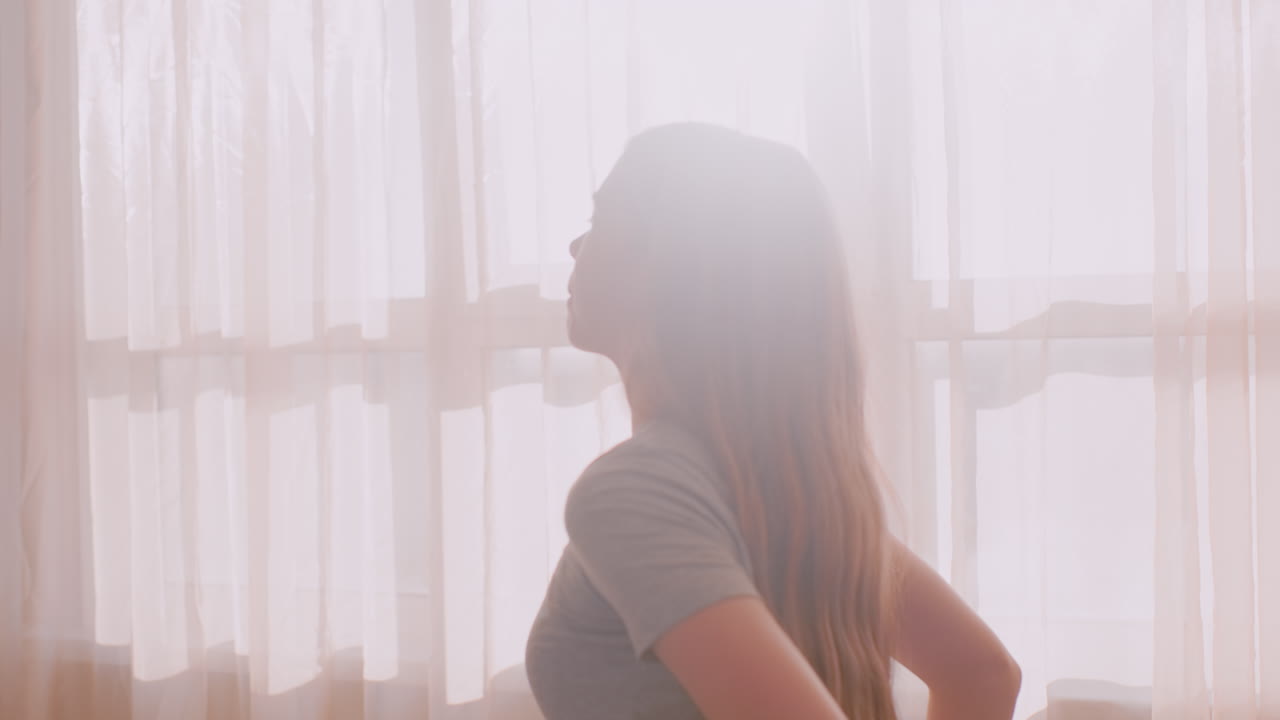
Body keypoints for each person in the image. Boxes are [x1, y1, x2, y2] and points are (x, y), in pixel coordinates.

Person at [525, 123, 1021, 720]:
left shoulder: (636, 491)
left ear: (665, 259)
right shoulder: (777, 484)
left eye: (600, 221)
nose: (576, 247)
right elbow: (982, 675)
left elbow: (982, 674)